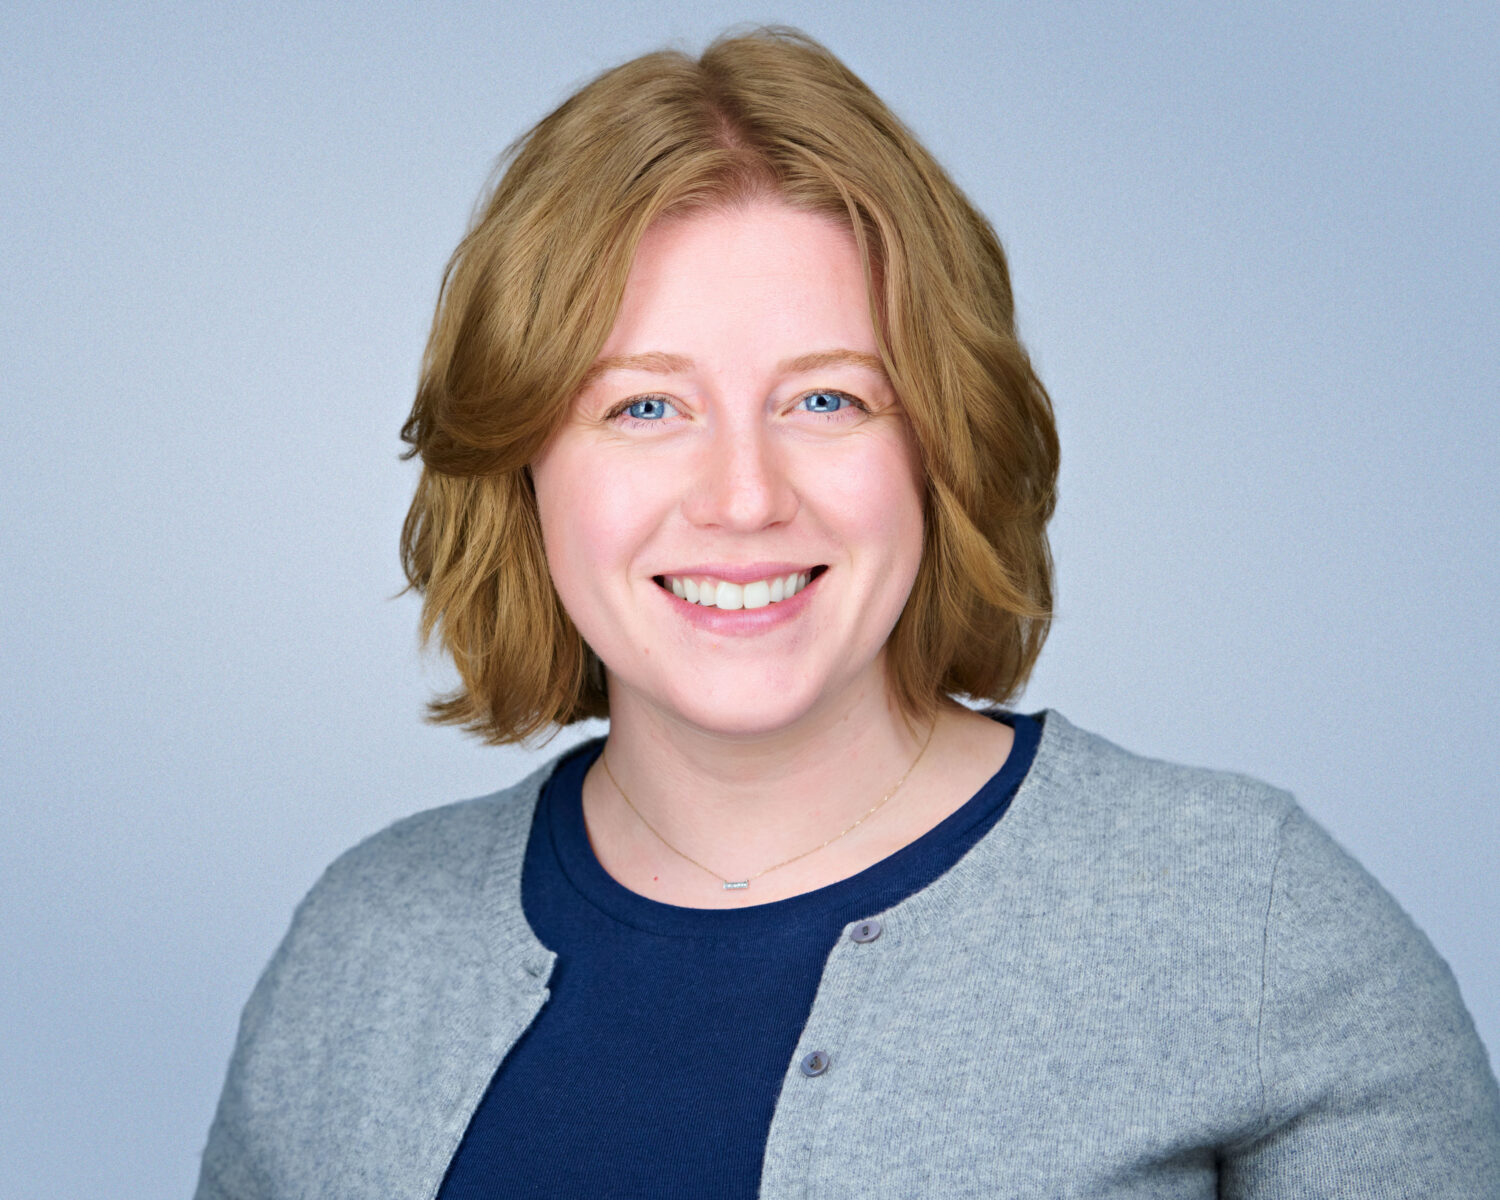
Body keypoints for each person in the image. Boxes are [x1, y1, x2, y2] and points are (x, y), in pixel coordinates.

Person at [195, 26, 1500, 1199]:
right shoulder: (361, 948)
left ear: (938, 442)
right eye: (645, 406)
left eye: (827, 399)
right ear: (523, 468)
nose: (745, 497)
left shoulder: (1248, 918)